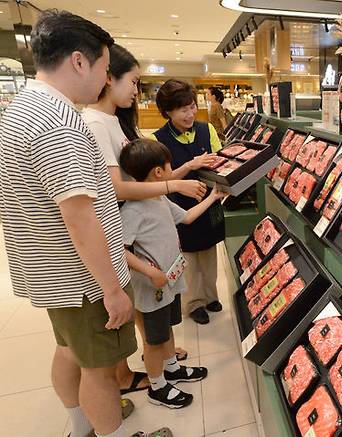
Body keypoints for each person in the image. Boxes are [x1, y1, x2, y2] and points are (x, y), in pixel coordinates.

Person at [0, 10, 168, 437]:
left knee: (69, 349)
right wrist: (111, 289)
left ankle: (80, 426)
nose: (105, 81)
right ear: (79, 61)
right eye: (104, 69)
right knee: (98, 369)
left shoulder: (21, 108)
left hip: (48, 271)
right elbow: (78, 213)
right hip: (82, 279)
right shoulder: (59, 122)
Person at [81, 44, 200, 395]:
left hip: (153, 247)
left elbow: (147, 181)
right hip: (135, 246)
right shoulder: (96, 124)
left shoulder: (115, 122)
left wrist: (183, 173)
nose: (136, 90)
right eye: (132, 81)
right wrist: (174, 183)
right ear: (108, 77)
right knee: (150, 319)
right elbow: (120, 188)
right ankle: (158, 374)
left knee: (159, 319)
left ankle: (166, 362)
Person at [119, 139, 223, 408]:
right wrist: (149, 272)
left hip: (170, 281)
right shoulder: (133, 209)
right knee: (155, 340)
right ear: (158, 172)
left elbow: (186, 218)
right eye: (169, 166)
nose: (172, 169)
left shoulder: (158, 198)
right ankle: (157, 386)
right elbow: (120, 249)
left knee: (167, 330)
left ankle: (172, 367)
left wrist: (213, 197)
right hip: (152, 286)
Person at [151, 79, 226, 325]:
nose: (190, 113)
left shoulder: (207, 130)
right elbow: (161, 181)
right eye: (183, 109)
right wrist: (191, 165)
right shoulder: (157, 140)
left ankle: (210, 295)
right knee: (189, 258)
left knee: (209, 253)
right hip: (180, 207)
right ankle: (193, 303)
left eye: (192, 106)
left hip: (209, 202)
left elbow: (221, 161)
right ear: (168, 112)